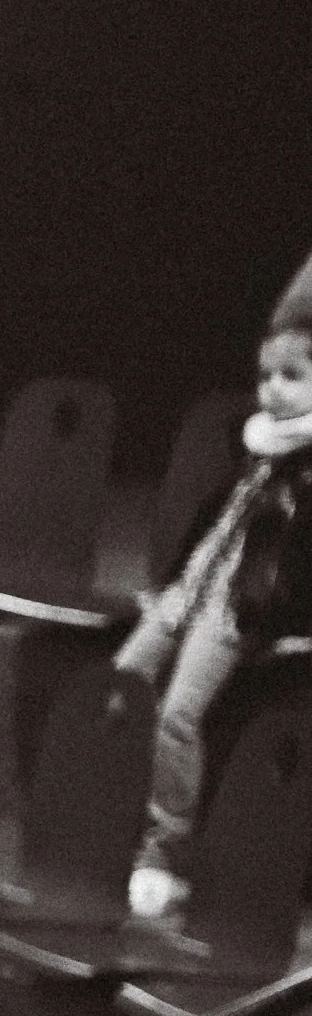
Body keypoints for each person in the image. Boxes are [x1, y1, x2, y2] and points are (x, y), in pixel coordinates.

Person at [119, 268, 312, 922]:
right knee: (124, 684)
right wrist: (168, 584)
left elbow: (297, 555)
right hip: (193, 588)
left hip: (237, 607)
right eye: (266, 377)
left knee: (178, 715)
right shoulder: (258, 445)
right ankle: (112, 825)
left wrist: (289, 617)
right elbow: (211, 519)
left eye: (292, 377)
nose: (272, 392)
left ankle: (165, 851)